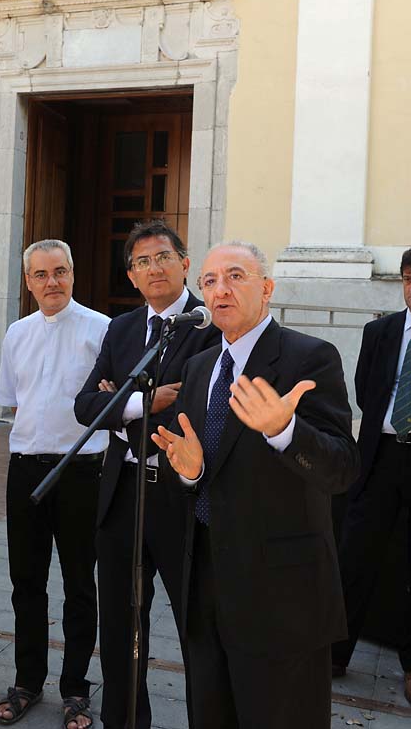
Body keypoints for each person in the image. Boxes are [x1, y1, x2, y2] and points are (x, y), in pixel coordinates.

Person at [151, 241, 359, 729]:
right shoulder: (200, 366)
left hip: (281, 597)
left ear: (266, 288)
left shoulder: (309, 358)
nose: (220, 290)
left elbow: (343, 469)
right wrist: (190, 472)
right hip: (205, 587)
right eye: (208, 281)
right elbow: (208, 471)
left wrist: (284, 432)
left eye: (235, 276)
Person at [74, 220, 220, 729]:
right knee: (117, 625)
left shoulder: (211, 329)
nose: (152, 268)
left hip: (182, 496)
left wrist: (123, 411)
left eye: (162, 257)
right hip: (123, 494)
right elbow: (86, 405)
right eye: (141, 262)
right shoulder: (122, 328)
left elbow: (195, 413)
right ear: (132, 277)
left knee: (196, 628)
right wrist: (142, 400)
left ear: (185, 263)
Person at [0, 239, 110, 729]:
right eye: (40, 275)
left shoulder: (103, 330)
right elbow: (14, 403)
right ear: (28, 282)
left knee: (81, 584)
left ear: (73, 273)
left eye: (59, 271)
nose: (52, 282)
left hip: (82, 470)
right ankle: (27, 681)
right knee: (26, 582)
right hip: (26, 469)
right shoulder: (17, 333)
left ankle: (76, 689)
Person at [332, 247, 411, 697]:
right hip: (379, 454)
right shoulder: (379, 331)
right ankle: (335, 651)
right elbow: (366, 387)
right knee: (355, 555)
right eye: (407, 278)